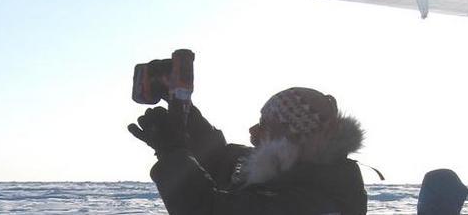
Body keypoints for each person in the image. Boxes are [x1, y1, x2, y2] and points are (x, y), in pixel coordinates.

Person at [128, 87, 367, 215]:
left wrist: (172, 153)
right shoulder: (282, 166)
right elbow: (220, 158)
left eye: (266, 125)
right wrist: (187, 115)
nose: (253, 131)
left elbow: (208, 211)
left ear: (293, 136)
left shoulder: (319, 203)